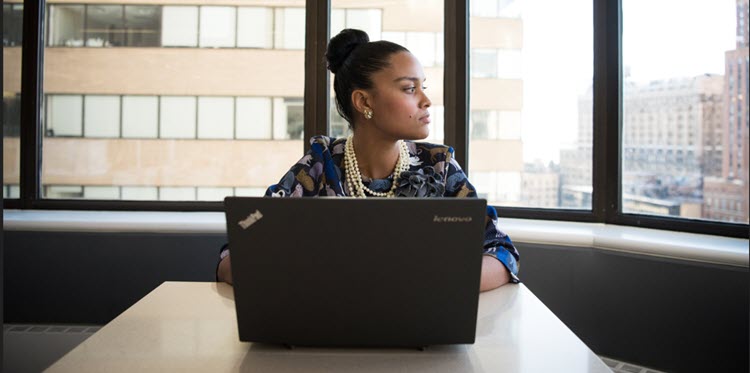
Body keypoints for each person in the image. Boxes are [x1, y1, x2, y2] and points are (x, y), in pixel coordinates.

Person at [217, 28, 519, 291]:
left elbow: (501, 252)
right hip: (329, 332)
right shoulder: (320, 165)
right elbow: (236, 254)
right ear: (364, 102)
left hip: (421, 332)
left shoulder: (439, 166)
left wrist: (434, 282)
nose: (426, 101)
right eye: (409, 88)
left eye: (422, 87)